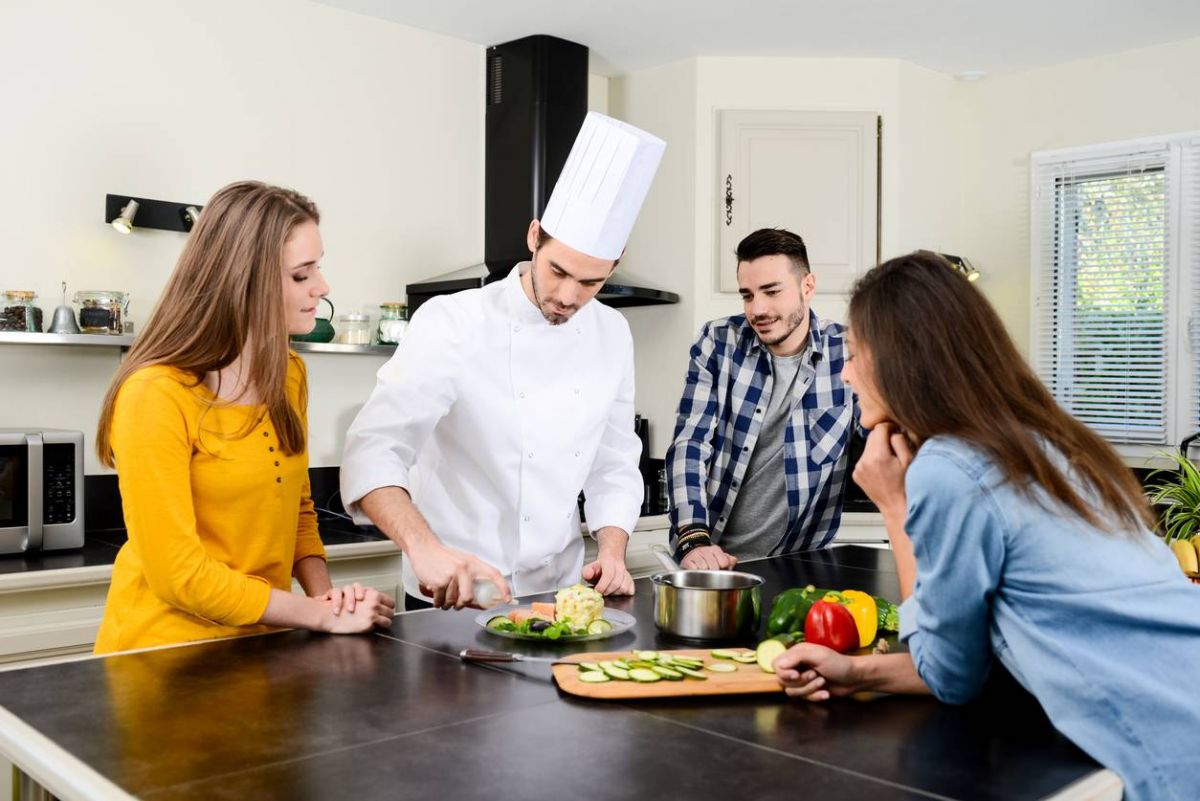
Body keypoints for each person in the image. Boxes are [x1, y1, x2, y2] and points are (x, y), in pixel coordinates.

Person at [773, 251, 1200, 801]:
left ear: (902, 360)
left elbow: (948, 678)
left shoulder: (949, 469)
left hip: (1172, 753)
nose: (845, 372)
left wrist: (894, 506)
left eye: (854, 354)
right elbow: (975, 661)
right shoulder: (1050, 445)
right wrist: (855, 674)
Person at [341, 113, 666, 610]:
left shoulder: (611, 332)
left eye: (591, 282)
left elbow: (615, 460)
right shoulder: (452, 321)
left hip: (557, 590)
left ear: (614, 264)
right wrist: (424, 550)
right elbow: (376, 447)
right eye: (558, 271)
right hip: (452, 591)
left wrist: (613, 552)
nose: (567, 295)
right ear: (534, 236)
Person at [93, 181, 394, 654]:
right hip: (163, 657)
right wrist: (317, 616)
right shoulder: (155, 394)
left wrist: (329, 601)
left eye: (318, 268)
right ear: (245, 281)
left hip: (262, 649)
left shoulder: (288, 374)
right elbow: (179, 575)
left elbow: (296, 514)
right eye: (301, 275)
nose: (322, 286)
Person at [665, 228, 858, 569]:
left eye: (771, 292)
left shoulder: (847, 352)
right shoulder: (718, 342)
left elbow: (888, 435)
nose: (758, 309)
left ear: (807, 286)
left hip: (797, 562)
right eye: (748, 295)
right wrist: (694, 537)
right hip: (712, 557)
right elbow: (691, 443)